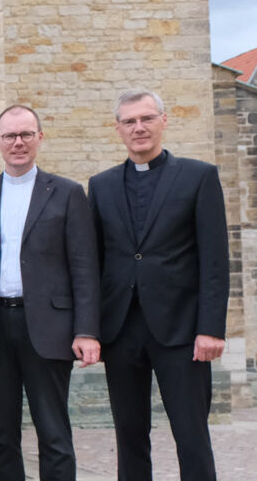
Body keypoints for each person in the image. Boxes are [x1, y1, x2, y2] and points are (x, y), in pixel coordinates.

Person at [88, 90, 228, 481]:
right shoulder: (100, 185)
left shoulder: (199, 176)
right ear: (118, 129)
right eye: (129, 121)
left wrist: (211, 328)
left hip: (183, 331)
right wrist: (92, 329)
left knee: (191, 433)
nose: (139, 128)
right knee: (129, 434)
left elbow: (214, 260)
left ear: (163, 121)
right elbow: (94, 262)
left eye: (146, 118)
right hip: (121, 329)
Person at [0, 105, 101, 481]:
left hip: (48, 326)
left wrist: (87, 330)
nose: (18, 142)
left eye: (26, 134)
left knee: (53, 432)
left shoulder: (68, 193)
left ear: (40, 138)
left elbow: (85, 266)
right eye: (9, 135)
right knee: (0, 435)